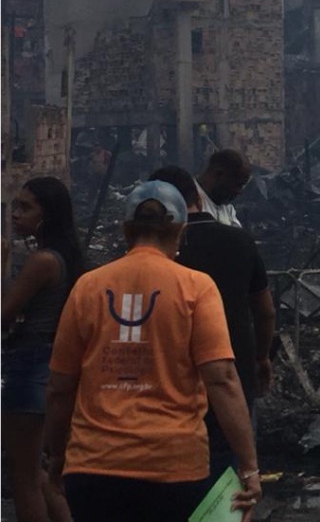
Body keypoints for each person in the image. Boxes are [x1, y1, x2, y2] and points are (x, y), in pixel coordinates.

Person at [44, 181, 263, 521]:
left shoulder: (88, 287)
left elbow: (60, 386)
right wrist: (248, 466)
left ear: (125, 229)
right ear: (181, 231)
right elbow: (221, 379)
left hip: (93, 468)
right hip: (174, 469)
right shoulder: (196, 287)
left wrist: (57, 455)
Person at [150, 165, 276, 488]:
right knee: (232, 479)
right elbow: (265, 311)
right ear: (197, 198)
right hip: (235, 374)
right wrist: (262, 358)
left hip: (171, 384)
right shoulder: (239, 241)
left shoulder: (155, 257)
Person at [2, 177, 85, 522]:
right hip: (53, 366)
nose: (16, 215)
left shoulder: (43, 262)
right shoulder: (67, 258)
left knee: (24, 478)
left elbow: (3, 314)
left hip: (29, 367)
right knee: (45, 473)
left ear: (47, 214)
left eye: (25, 207)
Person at [196, 148, 252, 227]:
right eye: (238, 185)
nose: (240, 192)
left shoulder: (228, 209)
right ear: (219, 174)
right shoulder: (189, 200)